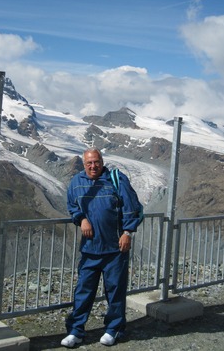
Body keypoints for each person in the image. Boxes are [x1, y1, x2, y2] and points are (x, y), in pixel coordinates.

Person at [61, 148, 143, 348]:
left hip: (115, 249)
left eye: (96, 162)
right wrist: (81, 219)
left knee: (115, 291)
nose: (93, 166)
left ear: (102, 161)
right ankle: (76, 331)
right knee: (83, 291)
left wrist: (127, 233)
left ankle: (114, 329)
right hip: (90, 249)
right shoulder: (76, 182)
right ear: (83, 163)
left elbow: (132, 207)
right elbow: (72, 205)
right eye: (89, 163)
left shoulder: (116, 179)